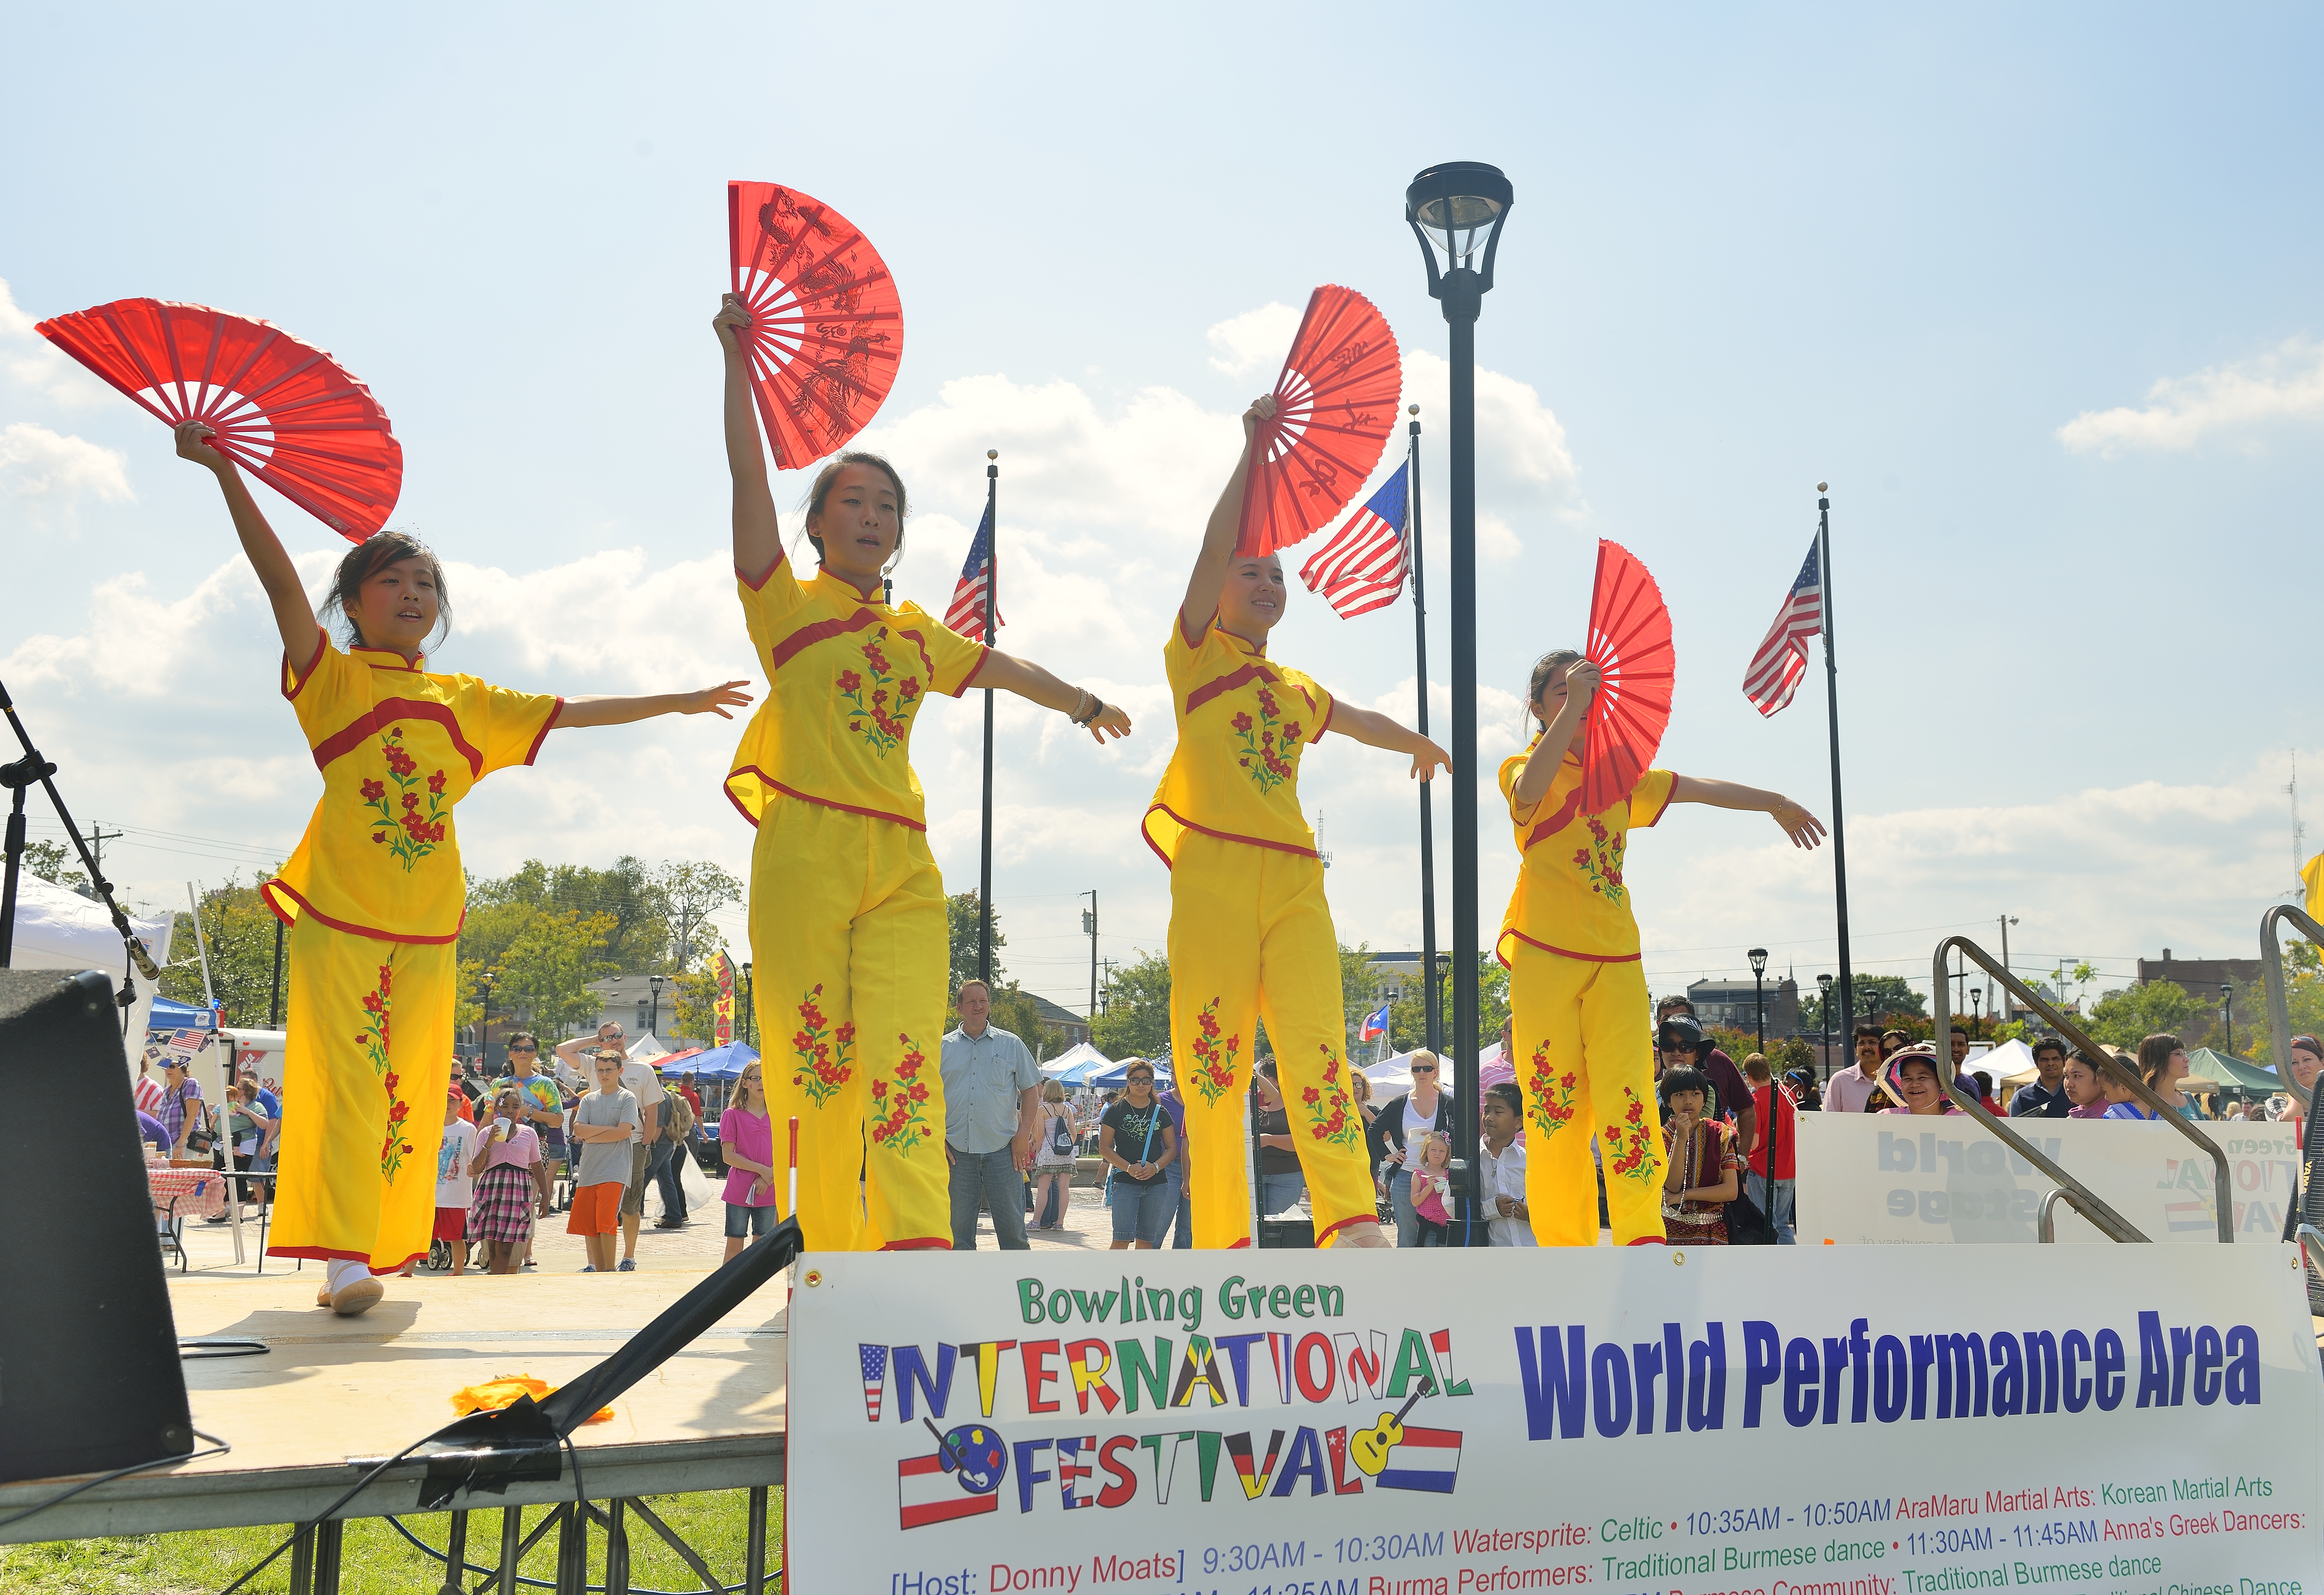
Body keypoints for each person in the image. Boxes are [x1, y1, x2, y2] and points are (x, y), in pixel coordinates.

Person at [170, 422, 748, 1315]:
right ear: (353, 603)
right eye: (391, 580)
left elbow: (572, 709)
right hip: (340, 918)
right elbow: (281, 582)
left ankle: (376, 1248)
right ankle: (341, 1262)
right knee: (351, 1083)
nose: (411, 593)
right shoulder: (332, 680)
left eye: (425, 583)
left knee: (411, 1096)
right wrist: (226, 474)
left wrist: (678, 700)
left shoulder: (462, 702)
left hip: (429, 925)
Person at [711, 297, 1129, 1252]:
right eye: (851, 501)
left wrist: (1080, 701)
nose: (870, 515)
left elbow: (998, 665)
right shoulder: (785, 605)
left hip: (901, 861)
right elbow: (745, 476)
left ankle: (910, 1246)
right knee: (817, 1061)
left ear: (899, 534)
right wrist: (737, 366)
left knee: (904, 1058)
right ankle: (821, 1250)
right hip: (805, 850)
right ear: (816, 523)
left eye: (888, 506)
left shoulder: (914, 634)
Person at [1144, 398, 1443, 1250]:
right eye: (1254, 572)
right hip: (1213, 875)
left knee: (1315, 1044)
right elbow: (1211, 548)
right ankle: (1223, 1237)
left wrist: (1417, 741)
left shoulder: (1293, 690)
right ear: (1219, 590)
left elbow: (1352, 718)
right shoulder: (1194, 659)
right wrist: (1251, 451)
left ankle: (1348, 1220)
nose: (1269, 584)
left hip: (1295, 878)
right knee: (1212, 1060)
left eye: (1278, 575)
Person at [1501, 649, 1820, 1246]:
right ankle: (1563, 1251)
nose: (1578, 702)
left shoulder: (1621, 779)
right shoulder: (1523, 765)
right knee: (1554, 1115)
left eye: (1588, 691)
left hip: (1617, 958)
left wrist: (1774, 800)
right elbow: (1529, 791)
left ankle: (1643, 1238)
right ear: (1537, 706)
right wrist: (1575, 710)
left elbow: (1697, 786)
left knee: (1630, 1105)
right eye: (1562, 692)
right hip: (1544, 958)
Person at [939, 981, 1043, 1250]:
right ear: (959, 1008)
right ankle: (964, 1292)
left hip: (1004, 1153)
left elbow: (1032, 1091)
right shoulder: (941, 1048)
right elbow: (926, 1098)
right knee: (958, 1237)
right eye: (971, 1001)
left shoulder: (1012, 1044)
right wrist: (936, 1138)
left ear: (989, 1005)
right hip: (956, 1153)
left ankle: (1019, 1291)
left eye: (983, 1001)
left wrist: (1023, 1136)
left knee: (1014, 1235)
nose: (978, 1006)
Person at [568, 1049, 642, 1273]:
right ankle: (599, 1271)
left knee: (606, 1221)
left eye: (609, 1070)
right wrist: (606, 1131)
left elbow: (623, 1132)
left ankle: (609, 1271)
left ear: (619, 1071)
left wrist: (592, 1134)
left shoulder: (627, 1097)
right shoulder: (589, 1099)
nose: (604, 1074)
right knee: (590, 1225)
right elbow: (578, 1129)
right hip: (590, 1168)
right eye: (600, 1070)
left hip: (615, 1169)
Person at [1368, 1051, 1453, 1246]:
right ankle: (1405, 1275)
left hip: (1439, 1177)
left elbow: (1460, 1135)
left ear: (1436, 1073)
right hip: (1406, 1174)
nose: (1422, 1073)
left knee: (1436, 1235)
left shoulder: (1448, 1104)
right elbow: (1375, 1130)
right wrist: (1388, 1156)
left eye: (1427, 1069)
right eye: (1417, 1069)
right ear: (1412, 1073)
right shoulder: (1401, 1103)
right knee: (1407, 1235)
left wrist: (1437, 1139)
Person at [1652, 1000, 1758, 1153]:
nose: (1676, 1052)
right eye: (1668, 1046)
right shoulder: (1654, 1088)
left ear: (1698, 1054)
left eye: (1686, 1047)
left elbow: (1693, 1134)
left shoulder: (1706, 1089)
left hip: (1700, 1173)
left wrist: (1740, 1159)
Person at [1657, 1065, 1742, 1245]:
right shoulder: (1661, 1136)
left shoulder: (1721, 1135)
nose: (1688, 1101)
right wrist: (1681, 1138)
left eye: (1695, 1094)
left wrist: (1686, 1195)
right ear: (1669, 1102)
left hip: (1713, 1232)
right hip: (1670, 1231)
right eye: (1680, 1095)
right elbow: (1672, 1186)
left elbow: (1731, 1191)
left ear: (1704, 1100)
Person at [468, 1087, 548, 1275]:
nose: (510, 1111)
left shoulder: (529, 1133)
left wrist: (544, 1195)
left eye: (515, 1106)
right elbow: (477, 1167)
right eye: (505, 1106)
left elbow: (537, 1166)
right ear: (497, 1108)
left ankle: (497, 1287)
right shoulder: (486, 1133)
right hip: (491, 1187)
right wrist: (490, 1142)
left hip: (517, 1189)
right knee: (494, 1248)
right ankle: (497, 1286)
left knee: (506, 1248)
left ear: (520, 1110)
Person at [1099, 1061, 1177, 1250]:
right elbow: (1105, 1148)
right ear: (1128, 1082)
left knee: (1146, 1242)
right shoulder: (1115, 1111)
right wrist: (1128, 1168)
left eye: (1146, 1080)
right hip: (1125, 1182)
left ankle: (1143, 1279)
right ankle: (1109, 1279)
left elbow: (1171, 1149)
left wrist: (1156, 1167)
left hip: (1156, 1184)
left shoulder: (1161, 1112)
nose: (1141, 1085)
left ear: (1152, 1082)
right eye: (1135, 1080)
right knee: (1121, 1239)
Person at [718, 1060, 782, 1262]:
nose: (762, 1083)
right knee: (735, 1245)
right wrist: (763, 1170)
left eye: (766, 1079)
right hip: (740, 1190)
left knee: (762, 1248)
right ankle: (726, 1289)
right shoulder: (732, 1115)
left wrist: (768, 1177)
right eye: (756, 1078)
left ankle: (755, 1290)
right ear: (745, 1083)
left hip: (770, 1189)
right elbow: (728, 1156)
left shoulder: (779, 1114)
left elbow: (786, 1151)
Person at [1741, 1053, 1797, 1244]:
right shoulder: (1788, 1093)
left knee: (1765, 1224)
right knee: (1783, 1224)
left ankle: (1771, 1268)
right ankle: (1791, 1264)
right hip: (1789, 1169)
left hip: (1764, 1170)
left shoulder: (1756, 1101)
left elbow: (1754, 1143)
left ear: (1749, 1076)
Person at [1477, 1082, 1534, 1248]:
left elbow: (1554, 1205)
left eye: (1499, 1112)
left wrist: (1534, 1216)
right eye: (1487, 1111)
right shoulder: (1473, 1161)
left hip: (1533, 1251)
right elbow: (1451, 1205)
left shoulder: (1529, 1161)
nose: (1489, 1118)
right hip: (1494, 1257)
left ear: (1519, 1121)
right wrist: (1493, 1209)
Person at [1250, 1062, 1306, 1217]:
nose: (1259, 1080)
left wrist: (1269, 1140)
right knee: (1253, 1226)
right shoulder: (1252, 1098)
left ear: (1278, 1078)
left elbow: (1302, 1142)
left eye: (1264, 1075)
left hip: (1288, 1175)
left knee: (1281, 1225)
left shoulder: (1296, 1102)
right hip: (1252, 1173)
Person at [433, 1085, 477, 1275]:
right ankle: (408, 1272)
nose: (448, 1104)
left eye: (453, 1100)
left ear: (461, 1104)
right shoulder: (431, 1126)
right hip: (431, 1195)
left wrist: (474, 1170)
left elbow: (475, 1158)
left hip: (456, 1196)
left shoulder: (467, 1129)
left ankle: (458, 1272)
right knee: (422, 1236)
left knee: (457, 1238)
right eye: (445, 1100)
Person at [1030, 1080, 1078, 1233]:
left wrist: (1036, 1150)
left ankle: (1036, 1222)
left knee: (1043, 1189)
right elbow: (1074, 1134)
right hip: (1066, 1153)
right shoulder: (1068, 1110)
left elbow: (1041, 1135)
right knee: (1064, 1189)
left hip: (1048, 1152)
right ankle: (1060, 1223)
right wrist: (1065, 1147)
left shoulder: (1043, 1109)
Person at [650, 1068, 695, 1231]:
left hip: (660, 1145)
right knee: (667, 1181)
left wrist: (647, 1146)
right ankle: (675, 1217)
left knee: (642, 1179)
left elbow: (658, 1126)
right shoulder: (665, 1094)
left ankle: (624, 1214)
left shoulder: (659, 1097)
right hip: (668, 1145)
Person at [2138, 1033, 2205, 1119]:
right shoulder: (2143, 1104)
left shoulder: (2190, 1100)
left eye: (2184, 1053)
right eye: (2178, 1054)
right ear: (2159, 1060)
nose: (2187, 1059)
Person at [1881, 1047, 1963, 1115]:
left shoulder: (1963, 1121)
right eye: (1908, 1079)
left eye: (1922, 1077)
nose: (1914, 1085)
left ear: (1941, 1082)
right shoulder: (1886, 1118)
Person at [1407, 1133, 1455, 1246]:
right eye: (1433, 1150)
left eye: (1442, 1151)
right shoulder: (1419, 1175)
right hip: (1428, 1226)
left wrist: (1447, 1192)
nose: (1438, 1154)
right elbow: (1415, 1202)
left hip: (1447, 1227)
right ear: (1426, 1152)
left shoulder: (1451, 1174)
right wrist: (1429, 1188)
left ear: (1447, 1153)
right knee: (1428, 1257)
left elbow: (1456, 1200)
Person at [1824, 1027, 1886, 1113]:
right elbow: (1829, 1119)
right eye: (1862, 1043)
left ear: (1883, 1048)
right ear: (1856, 1050)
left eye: (1872, 1042)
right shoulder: (1840, 1081)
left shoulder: (1896, 1080)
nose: (1867, 1047)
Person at [2010, 1039, 2073, 1117]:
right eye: (2045, 1060)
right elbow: (2013, 1127)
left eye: (2056, 1059)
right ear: (2036, 1063)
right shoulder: (2021, 1098)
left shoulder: (2077, 1092)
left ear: (2065, 1062)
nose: (2051, 1064)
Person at [156, 1058, 203, 1160]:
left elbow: (192, 1115)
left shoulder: (191, 1083)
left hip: (183, 1142)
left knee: (183, 1175)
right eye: (165, 1067)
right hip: (167, 1143)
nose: (168, 1070)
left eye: (172, 1067)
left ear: (183, 1068)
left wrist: (181, 1144)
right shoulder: (167, 1090)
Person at [2062, 1051, 2111, 1119]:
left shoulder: (2118, 1118)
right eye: (2067, 1076)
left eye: (2077, 1076)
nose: (2069, 1084)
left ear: (2100, 1079)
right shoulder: (2073, 1118)